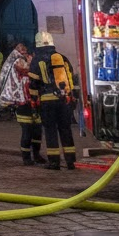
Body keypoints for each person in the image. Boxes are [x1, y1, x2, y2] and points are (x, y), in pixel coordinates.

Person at [29, 31, 78, 170]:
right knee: (65, 129)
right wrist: (72, 97)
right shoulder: (62, 58)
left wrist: (34, 103)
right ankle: (70, 161)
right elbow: (71, 78)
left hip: (47, 101)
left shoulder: (37, 60)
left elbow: (33, 84)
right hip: (63, 100)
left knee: (50, 131)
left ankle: (54, 162)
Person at [0, 42, 45, 165]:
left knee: (37, 131)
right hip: (23, 103)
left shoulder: (30, 59)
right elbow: (24, 72)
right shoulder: (17, 62)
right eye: (21, 50)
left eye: (25, 50)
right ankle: (26, 157)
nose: (24, 52)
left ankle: (37, 155)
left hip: (35, 101)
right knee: (27, 131)